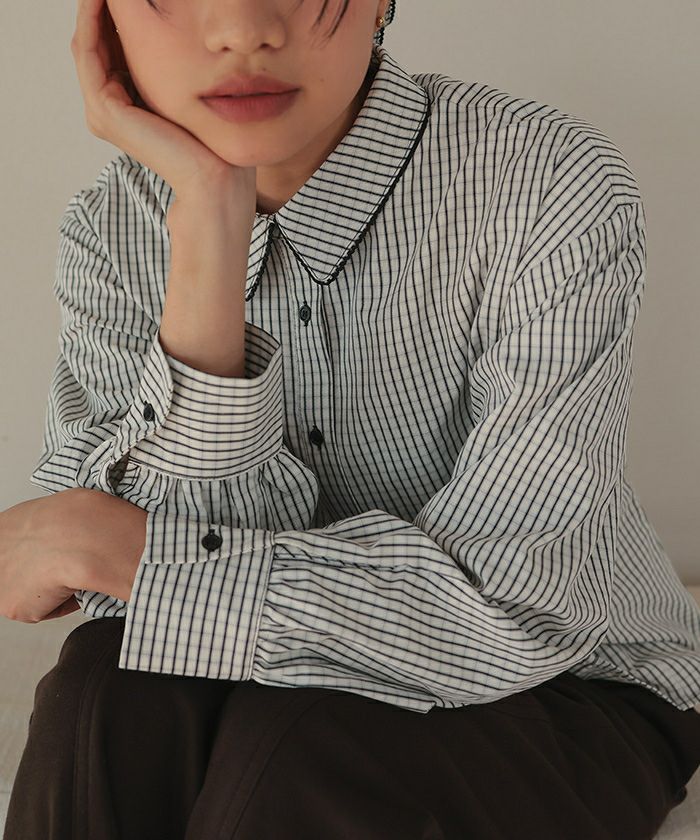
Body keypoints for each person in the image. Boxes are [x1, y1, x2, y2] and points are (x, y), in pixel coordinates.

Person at [3, 0, 700, 837]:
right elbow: (129, 604)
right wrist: (210, 231)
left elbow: (515, 607)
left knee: (303, 749)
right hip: (276, 668)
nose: (242, 29)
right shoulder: (112, 228)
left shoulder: (545, 180)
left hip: (567, 680)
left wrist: (120, 546)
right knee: (101, 693)